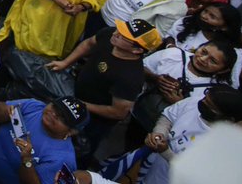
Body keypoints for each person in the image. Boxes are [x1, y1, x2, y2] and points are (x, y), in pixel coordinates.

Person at [47, 19, 162, 162]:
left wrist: (83, 105)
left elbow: (118, 112)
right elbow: (89, 44)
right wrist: (65, 62)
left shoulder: (130, 78)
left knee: (80, 148)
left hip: (93, 120)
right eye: (120, 29)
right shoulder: (110, 35)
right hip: (76, 94)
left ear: (137, 50)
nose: (116, 34)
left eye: (123, 36)